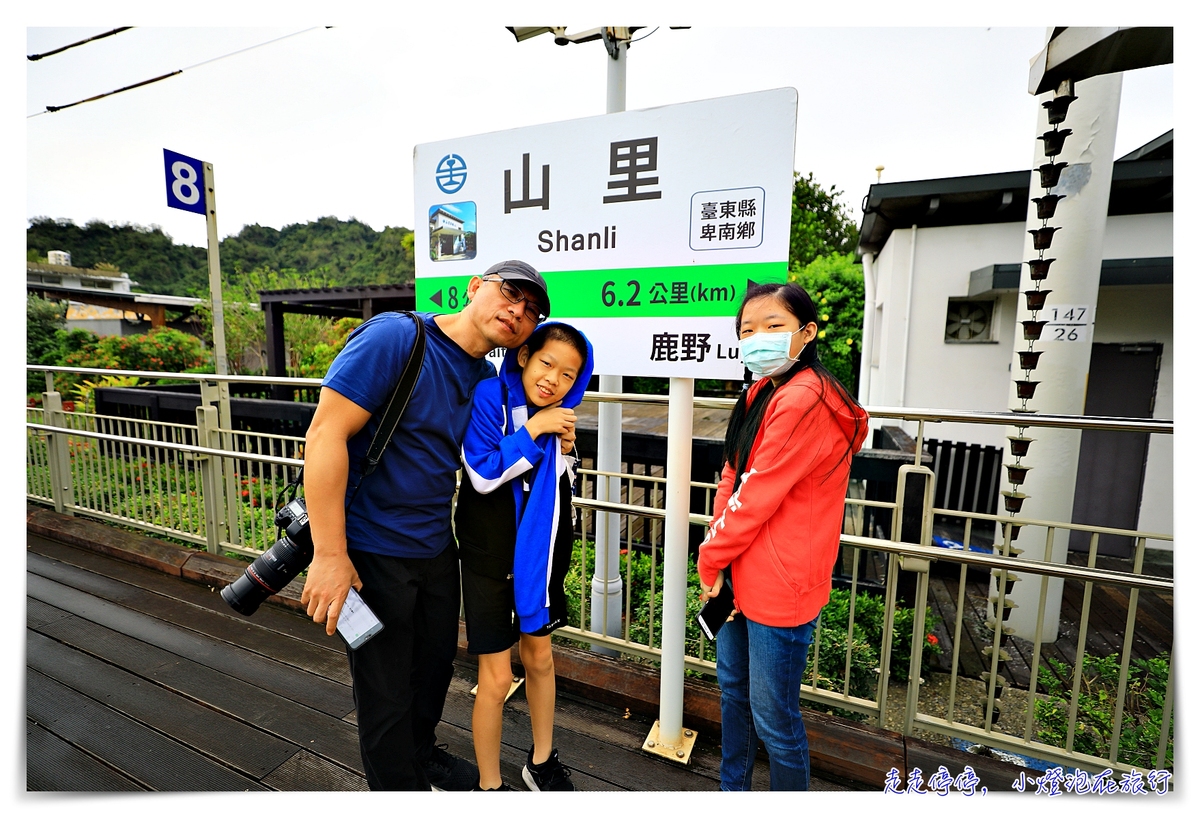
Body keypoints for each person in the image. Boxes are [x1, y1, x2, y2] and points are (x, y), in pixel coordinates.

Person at [300, 260, 568, 791]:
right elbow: (325, 435)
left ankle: (420, 756)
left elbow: (492, 453)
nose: (518, 311)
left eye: (531, 309)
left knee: (434, 670)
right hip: (372, 547)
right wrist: (330, 554)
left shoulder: (485, 377)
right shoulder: (399, 337)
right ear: (474, 287)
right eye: (510, 293)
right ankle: (397, 786)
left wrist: (552, 437)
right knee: (386, 690)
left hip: (435, 545)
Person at [697, 281, 869, 791]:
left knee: (774, 718)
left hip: (779, 584)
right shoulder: (761, 392)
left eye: (774, 327)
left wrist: (709, 560)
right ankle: (734, 792)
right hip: (737, 575)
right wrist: (721, 558)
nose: (757, 339)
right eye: (747, 330)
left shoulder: (804, 398)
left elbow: (758, 494)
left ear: (806, 333)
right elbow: (733, 474)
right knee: (734, 694)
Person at [455, 321, 594, 791]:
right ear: (524, 357)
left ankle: (540, 761)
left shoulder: (562, 418)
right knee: (495, 680)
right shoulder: (490, 398)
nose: (554, 379)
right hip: (489, 561)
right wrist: (535, 429)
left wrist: (569, 453)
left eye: (569, 375)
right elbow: (482, 473)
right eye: (547, 363)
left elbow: (558, 496)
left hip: (539, 564)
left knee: (541, 659)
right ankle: (490, 786)